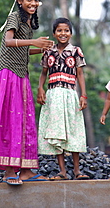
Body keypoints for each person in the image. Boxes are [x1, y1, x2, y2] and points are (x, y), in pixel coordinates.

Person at [0, 0, 54, 185]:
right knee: (10, 119)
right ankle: (9, 171)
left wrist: (43, 49)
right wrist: (34, 42)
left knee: (24, 121)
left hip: (21, 75)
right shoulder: (14, 16)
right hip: (8, 74)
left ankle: (27, 171)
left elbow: (22, 50)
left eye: (36, 0)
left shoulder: (28, 22)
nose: (33, 3)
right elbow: (9, 41)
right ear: (19, 0)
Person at [37, 17, 89, 180]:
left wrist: (83, 95)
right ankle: (62, 171)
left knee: (73, 130)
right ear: (54, 33)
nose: (63, 33)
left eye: (66, 30)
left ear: (71, 33)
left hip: (69, 94)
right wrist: (40, 88)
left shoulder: (76, 51)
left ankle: (77, 170)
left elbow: (80, 74)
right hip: (52, 95)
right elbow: (44, 72)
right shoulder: (49, 51)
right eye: (59, 30)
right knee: (57, 131)